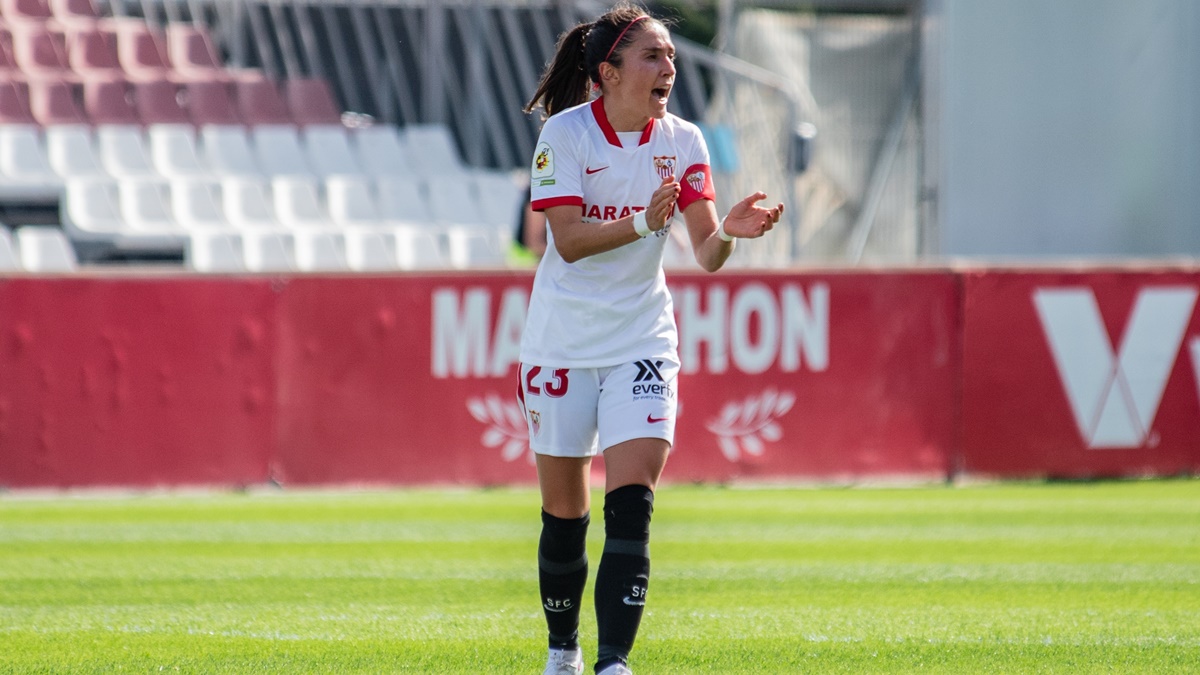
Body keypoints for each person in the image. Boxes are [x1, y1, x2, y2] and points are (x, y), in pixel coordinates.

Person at [517, 4, 783, 674]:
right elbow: (569, 242)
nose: (669, 67)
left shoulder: (685, 141)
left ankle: (613, 662)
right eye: (653, 56)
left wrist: (731, 233)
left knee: (632, 503)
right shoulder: (565, 135)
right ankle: (563, 650)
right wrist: (641, 224)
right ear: (607, 72)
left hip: (642, 338)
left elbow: (705, 251)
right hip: (561, 343)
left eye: (669, 57)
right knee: (564, 515)